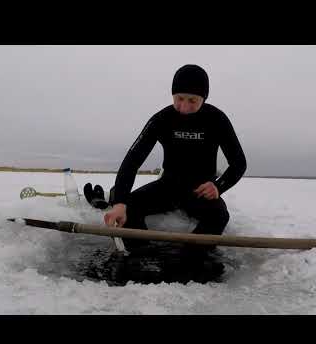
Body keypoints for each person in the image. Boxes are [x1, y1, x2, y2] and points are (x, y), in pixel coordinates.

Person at [103, 64, 247, 254]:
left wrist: (218, 187)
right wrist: (120, 203)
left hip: (199, 190)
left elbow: (239, 162)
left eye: (192, 100)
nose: (184, 107)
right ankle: (142, 256)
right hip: (167, 185)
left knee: (219, 216)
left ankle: (190, 260)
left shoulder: (217, 119)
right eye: (179, 99)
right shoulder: (162, 119)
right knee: (130, 207)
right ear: (172, 95)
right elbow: (132, 160)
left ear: (204, 98)